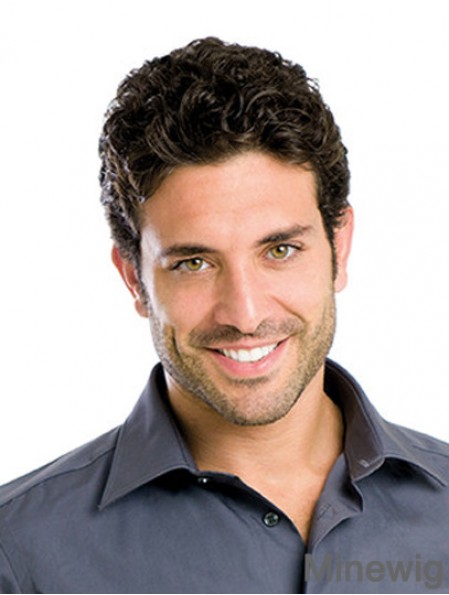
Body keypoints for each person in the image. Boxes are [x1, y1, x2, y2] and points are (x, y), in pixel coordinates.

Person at [0, 37, 447, 594]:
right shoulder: (19, 553)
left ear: (340, 247)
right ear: (134, 278)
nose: (246, 313)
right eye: (194, 263)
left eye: (280, 250)